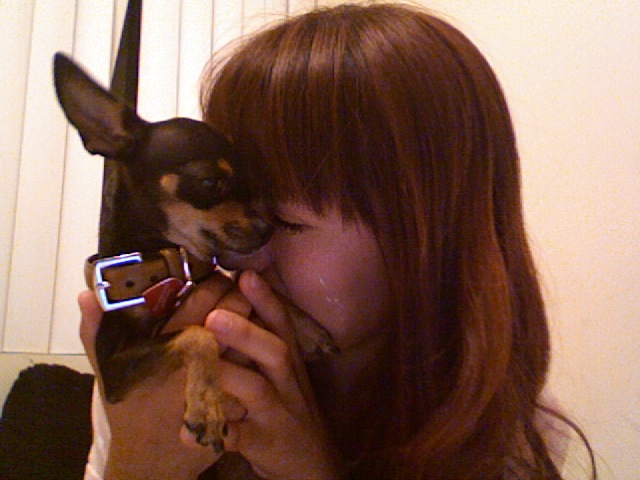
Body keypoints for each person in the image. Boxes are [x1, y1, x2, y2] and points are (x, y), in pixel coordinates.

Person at [78, 3, 594, 479]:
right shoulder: (170, 382)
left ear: (426, 242)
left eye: (284, 222)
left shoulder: (502, 436)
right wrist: (134, 465)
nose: (236, 254)